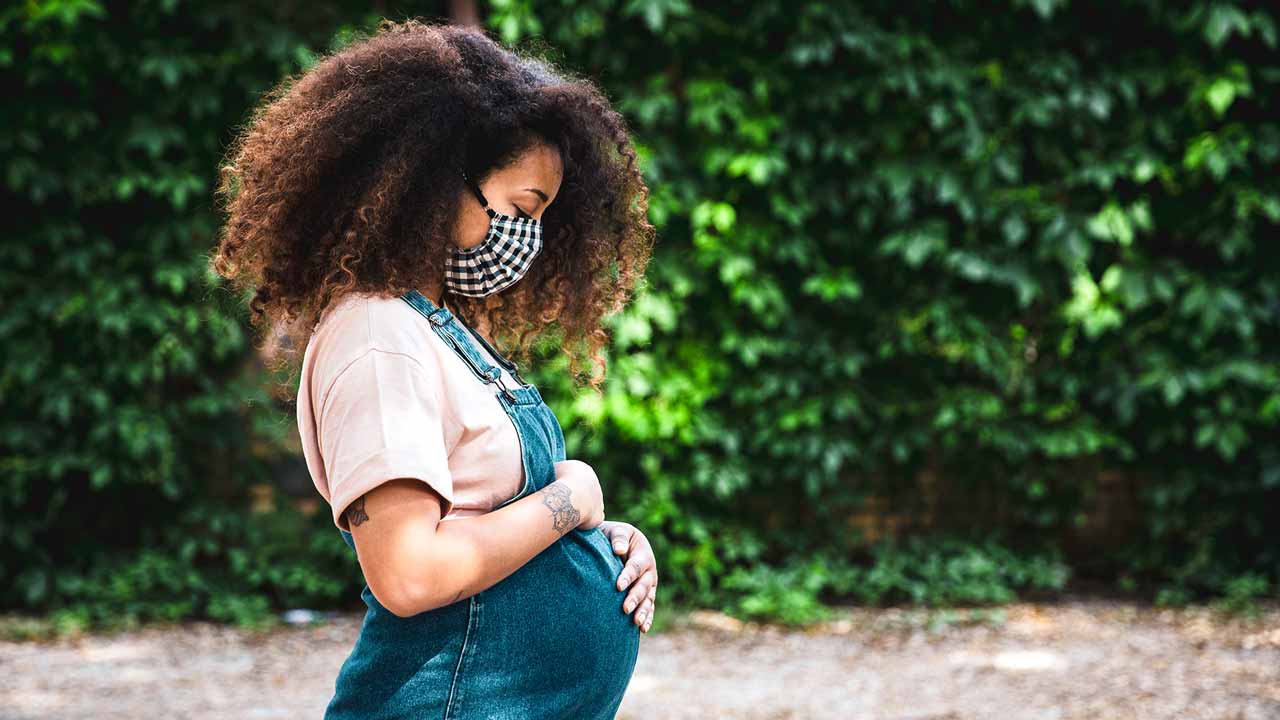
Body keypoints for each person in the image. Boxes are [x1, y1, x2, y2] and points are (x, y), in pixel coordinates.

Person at [210, 18, 659, 719]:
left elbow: (491, 517)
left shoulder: (438, 330)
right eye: (521, 209)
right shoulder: (379, 336)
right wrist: (571, 500)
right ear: (433, 184)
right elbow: (411, 572)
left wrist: (597, 541)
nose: (530, 240)